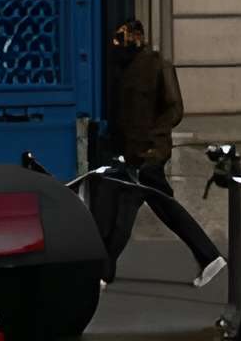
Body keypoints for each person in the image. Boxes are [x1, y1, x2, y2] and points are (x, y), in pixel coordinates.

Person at [93, 16, 224, 288]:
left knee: (124, 212)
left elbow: (174, 108)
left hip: (148, 154)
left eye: (121, 39)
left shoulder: (158, 66)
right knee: (167, 209)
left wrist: (154, 141)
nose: (115, 45)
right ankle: (210, 257)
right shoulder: (124, 69)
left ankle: (104, 272)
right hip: (132, 152)